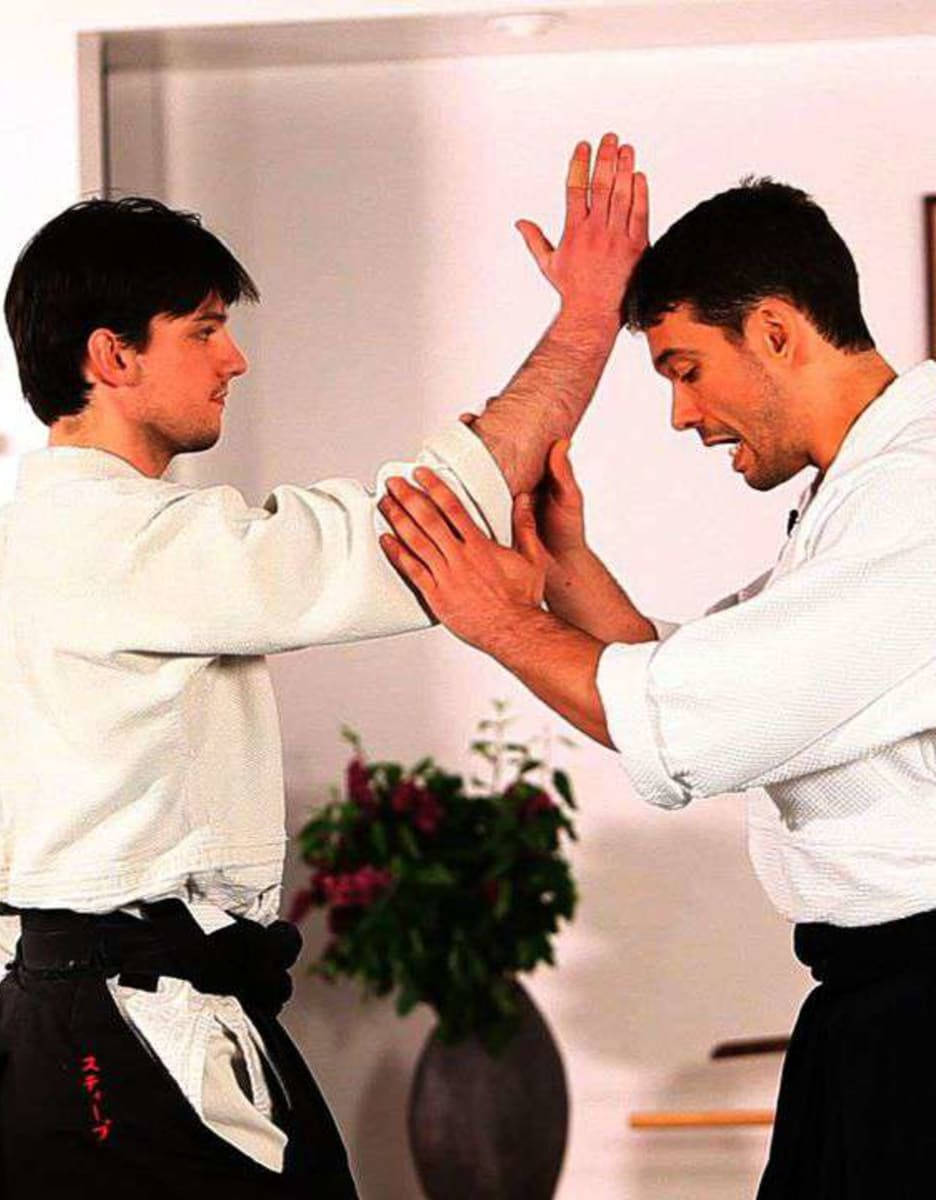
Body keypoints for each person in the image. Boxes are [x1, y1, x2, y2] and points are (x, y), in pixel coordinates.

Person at [0, 135, 649, 1199]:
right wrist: (587, 319)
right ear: (111, 357)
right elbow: (416, 533)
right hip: (121, 1044)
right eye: (206, 330)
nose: (235, 359)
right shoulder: (124, 546)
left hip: (48, 1028)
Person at [377, 178, 936, 1198]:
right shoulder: (867, 491)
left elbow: (698, 720)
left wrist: (493, 618)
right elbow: (708, 685)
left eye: (686, 370)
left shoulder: (920, 493)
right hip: (878, 1011)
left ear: (774, 331)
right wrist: (561, 569)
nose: (682, 415)